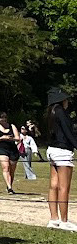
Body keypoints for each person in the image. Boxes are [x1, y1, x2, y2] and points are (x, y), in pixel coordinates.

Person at [45, 87, 77, 230]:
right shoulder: (61, 113)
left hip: (52, 149)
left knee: (54, 185)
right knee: (64, 187)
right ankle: (64, 221)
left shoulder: (49, 113)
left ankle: (54, 218)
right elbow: (68, 132)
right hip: (63, 151)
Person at [0, 112, 23, 193]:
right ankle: (9, 186)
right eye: (1, 118)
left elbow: (18, 138)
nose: (3, 120)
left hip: (12, 148)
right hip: (1, 148)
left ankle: (9, 186)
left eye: (4, 118)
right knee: (6, 167)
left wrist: (11, 139)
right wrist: (2, 137)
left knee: (12, 169)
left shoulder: (12, 126)